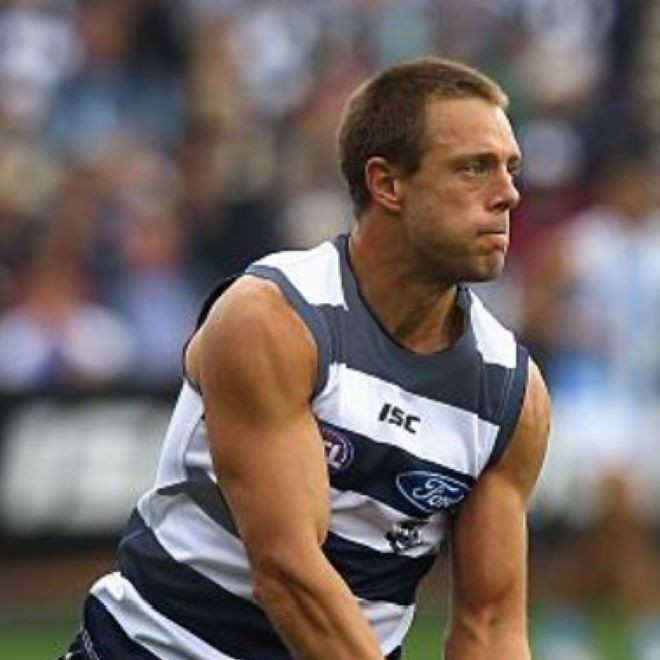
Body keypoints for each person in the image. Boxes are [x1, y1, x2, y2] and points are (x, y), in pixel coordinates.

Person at [60, 56, 550, 660]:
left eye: (510, 168)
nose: (509, 194)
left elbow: (491, 627)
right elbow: (288, 574)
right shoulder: (273, 319)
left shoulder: (510, 392)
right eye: (475, 168)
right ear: (387, 184)